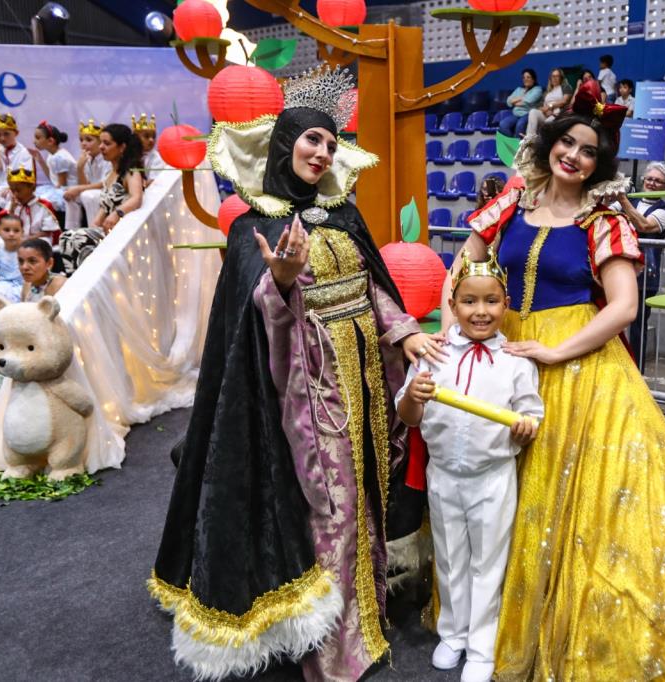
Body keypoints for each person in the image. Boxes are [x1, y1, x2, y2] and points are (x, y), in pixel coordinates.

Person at [150, 68, 440, 682]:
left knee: (367, 494)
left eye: (331, 144)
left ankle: (368, 615)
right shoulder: (252, 227)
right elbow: (250, 320)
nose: (323, 153)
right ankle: (331, 647)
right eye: (312, 140)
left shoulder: (343, 215)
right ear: (285, 144)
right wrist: (279, 282)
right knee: (331, 505)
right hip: (309, 387)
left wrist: (405, 330)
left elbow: (371, 287)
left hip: (365, 379)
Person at [441, 81, 665, 680]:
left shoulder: (604, 221)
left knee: (574, 503)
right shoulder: (513, 201)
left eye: (589, 151)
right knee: (486, 490)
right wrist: (453, 341)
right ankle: (470, 624)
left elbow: (623, 306)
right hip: (502, 353)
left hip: (577, 368)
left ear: (600, 165)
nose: (573, 156)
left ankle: (546, 626)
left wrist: (554, 352)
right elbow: (463, 266)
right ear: (550, 142)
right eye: (568, 143)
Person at [397, 249, 543, 682]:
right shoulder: (433, 354)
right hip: (443, 474)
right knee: (450, 558)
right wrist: (413, 397)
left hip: (492, 478)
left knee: (488, 563)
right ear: (453, 304)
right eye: (469, 301)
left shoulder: (516, 362)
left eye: (491, 301)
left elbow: (530, 415)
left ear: (506, 304)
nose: (481, 311)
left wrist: (524, 429)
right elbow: (408, 416)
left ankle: (481, 647)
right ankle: (453, 634)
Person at [56, 123, 144, 274]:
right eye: (101, 142)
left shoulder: (131, 171)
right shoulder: (111, 174)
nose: (101, 147)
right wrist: (93, 227)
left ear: (122, 147)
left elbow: (136, 198)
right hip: (107, 229)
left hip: (122, 230)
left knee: (72, 237)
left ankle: (81, 277)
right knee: (68, 237)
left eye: (107, 143)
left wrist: (117, 213)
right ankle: (77, 277)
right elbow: (104, 206)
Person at [613, 162, 665, 372]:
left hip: (645, 276)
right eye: (649, 179)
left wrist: (622, 200)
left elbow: (645, 225)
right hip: (617, 270)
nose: (652, 183)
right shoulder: (631, 200)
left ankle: (636, 372)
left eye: (658, 181)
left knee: (638, 325)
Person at [62, 120, 111, 231]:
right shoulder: (86, 159)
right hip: (92, 191)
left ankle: (94, 231)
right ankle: (71, 231)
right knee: (70, 194)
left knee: (88, 195)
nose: (83, 143)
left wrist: (79, 188)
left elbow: (105, 183)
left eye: (89, 140)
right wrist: (80, 168)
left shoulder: (107, 158)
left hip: (107, 192)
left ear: (100, 142)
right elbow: (85, 184)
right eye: (81, 140)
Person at [0, 165, 60, 239]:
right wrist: (12, 211)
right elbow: (5, 228)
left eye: (18, 190)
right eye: (12, 190)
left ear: (33, 188)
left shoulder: (44, 206)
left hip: (37, 242)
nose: (15, 194)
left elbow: (47, 233)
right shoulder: (12, 204)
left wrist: (26, 240)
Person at [0, 112, 32, 210]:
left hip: (17, 189)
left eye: (6, 134)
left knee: (12, 201)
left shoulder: (24, 152)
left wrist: (11, 188)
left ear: (16, 133)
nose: (2, 138)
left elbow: (25, 179)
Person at [33, 121, 76, 214]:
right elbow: (52, 177)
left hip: (67, 190)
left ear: (50, 141)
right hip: (59, 187)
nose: (34, 141)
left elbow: (62, 184)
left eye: (38, 138)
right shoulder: (52, 155)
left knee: (41, 200)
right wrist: (40, 161)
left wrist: (51, 192)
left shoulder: (60, 157)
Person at [0, 214, 28, 303]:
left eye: (16, 231)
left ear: (22, 232)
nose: (11, 234)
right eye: (6, 230)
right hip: (2, 287)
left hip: (24, 286)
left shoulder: (28, 253)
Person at [525, 68, 572, 139]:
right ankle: (529, 138)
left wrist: (550, 106)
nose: (554, 78)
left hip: (558, 114)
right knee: (533, 112)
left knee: (547, 123)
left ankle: (537, 141)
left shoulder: (566, 87)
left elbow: (564, 101)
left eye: (557, 76)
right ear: (550, 78)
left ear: (561, 78)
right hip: (546, 114)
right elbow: (540, 106)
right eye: (553, 76)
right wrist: (544, 110)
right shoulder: (547, 92)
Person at [499, 69, 544, 138]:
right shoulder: (519, 89)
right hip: (516, 114)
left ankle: (519, 144)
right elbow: (508, 101)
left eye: (528, 77)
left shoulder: (537, 89)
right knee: (503, 124)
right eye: (524, 77)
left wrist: (514, 101)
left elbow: (528, 101)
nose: (525, 79)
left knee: (520, 124)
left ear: (533, 79)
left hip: (527, 114)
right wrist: (520, 98)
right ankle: (512, 142)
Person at [132, 113, 158, 187]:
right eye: (146, 136)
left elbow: (154, 181)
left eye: (154, 137)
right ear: (136, 138)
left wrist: (134, 187)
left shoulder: (157, 158)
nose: (151, 140)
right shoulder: (129, 155)